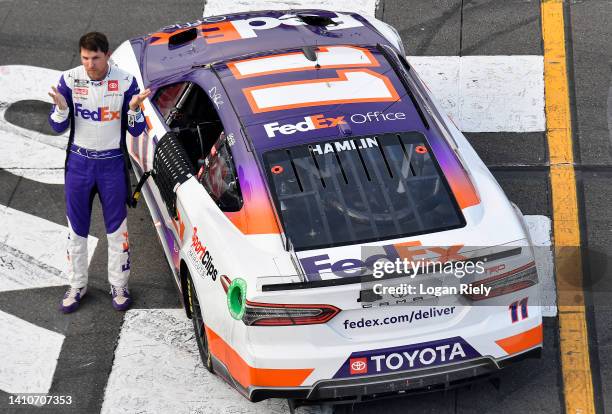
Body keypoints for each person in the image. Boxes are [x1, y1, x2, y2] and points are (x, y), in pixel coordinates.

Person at [48, 32, 151, 313]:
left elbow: (137, 129)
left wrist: (133, 109)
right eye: (84, 58)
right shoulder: (69, 80)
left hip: (112, 164)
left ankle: (119, 284)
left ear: (106, 55)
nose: (89, 64)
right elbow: (57, 128)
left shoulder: (126, 81)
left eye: (95, 58)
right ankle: (77, 284)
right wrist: (60, 109)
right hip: (79, 165)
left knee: (117, 229)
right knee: (76, 230)